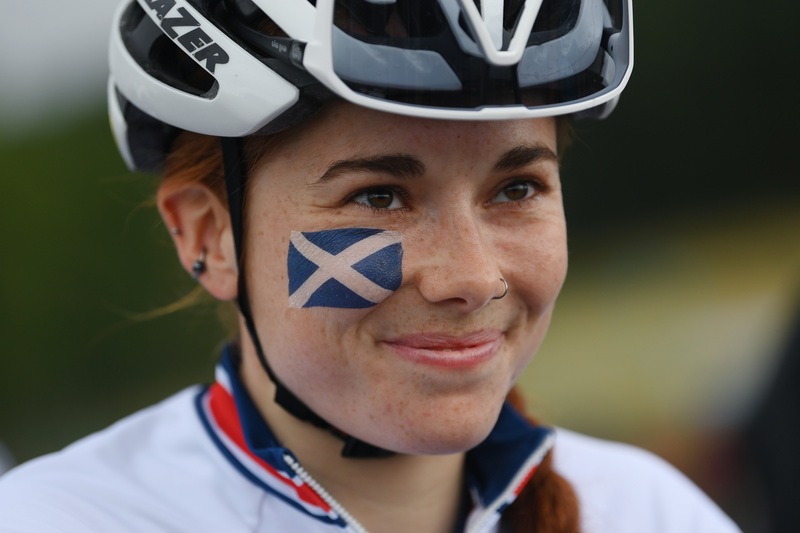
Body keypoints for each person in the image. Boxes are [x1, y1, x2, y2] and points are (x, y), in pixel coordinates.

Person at [0, 1, 741, 532]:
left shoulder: (647, 510)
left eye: (517, 188)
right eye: (379, 195)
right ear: (210, 235)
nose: (473, 277)